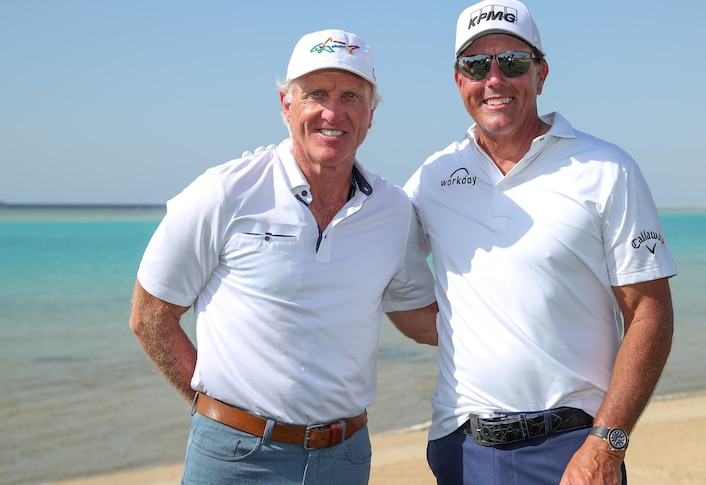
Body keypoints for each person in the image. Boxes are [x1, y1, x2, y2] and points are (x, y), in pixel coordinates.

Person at [129, 29, 438, 485]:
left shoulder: (392, 211)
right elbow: (150, 317)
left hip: (345, 459)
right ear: (286, 104)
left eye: (351, 95)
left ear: (371, 113)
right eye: (316, 94)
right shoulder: (225, 191)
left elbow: (416, 316)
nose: (333, 112)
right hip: (234, 458)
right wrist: (214, 412)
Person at [400, 1, 677, 484]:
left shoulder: (608, 169)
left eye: (511, 62)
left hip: (573, 449)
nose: (494, 79)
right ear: (458, 80)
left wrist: (607, 444)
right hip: (461, 448)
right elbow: (379, 263)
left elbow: (649, 312)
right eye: (475, 65)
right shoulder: (433, 177)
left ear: (540, 73)